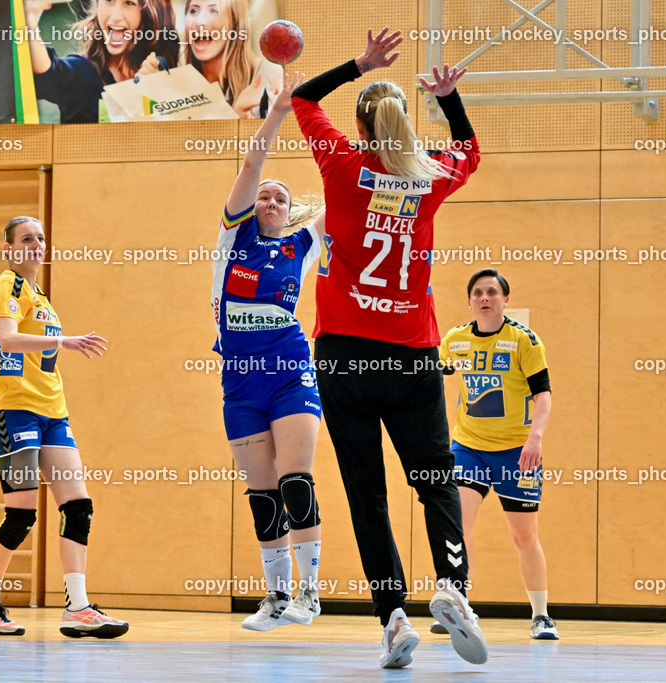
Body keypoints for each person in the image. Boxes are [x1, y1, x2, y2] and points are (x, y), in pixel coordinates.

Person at [291, 28, 487, 668]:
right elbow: (471, 151)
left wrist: (360, 63)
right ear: (405, 122)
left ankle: (393, 618)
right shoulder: (429, 176)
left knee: (367, 491)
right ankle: (454, 590)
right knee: (436, 480)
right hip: (411, 351)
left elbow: (301, 98)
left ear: (361, 124)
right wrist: (451, 99)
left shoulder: (343, 166)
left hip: (346, 354)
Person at [0, 216, 128, 639]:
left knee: (78, 507)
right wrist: (65, 341)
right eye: (26, 238)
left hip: (53, 414)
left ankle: (77, 606)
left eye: (40, 238)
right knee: (20, 515)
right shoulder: (9, 285)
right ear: (9, 248)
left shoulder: (40, 296)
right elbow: (7, 339)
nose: (36, 244)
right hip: (14, 412)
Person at [211, 74, 324, 631]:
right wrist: (278, 112)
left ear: (289, 210)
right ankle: (276, 596)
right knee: (261, 493)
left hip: (289, 373)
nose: (272, 199)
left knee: (294, 479)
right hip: (240, 381)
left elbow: (351, 195)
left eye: (281, 197)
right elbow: (252, 168)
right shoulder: (233, 240)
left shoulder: (303, 244)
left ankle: (310, 593)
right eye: (265, 196)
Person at [435, 269, 558, 640]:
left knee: (524, 536)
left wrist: (535, 439)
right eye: (478, 293)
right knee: (459, 526)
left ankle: (541, 616)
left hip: (516, 452)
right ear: (469, 301)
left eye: (492, 292)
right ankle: (456, 605)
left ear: (506, 299)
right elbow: (430, 380)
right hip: (469, 446)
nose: (485, 298)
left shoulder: (524, 341)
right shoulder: (455, 340)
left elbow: (544, 395)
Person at [25, 0, 179, 123]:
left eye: (129, 3)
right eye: (109, 0)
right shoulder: (83, 73)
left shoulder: (158, 67)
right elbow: (48, 71)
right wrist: (30, 18)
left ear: (149, 14)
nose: (115, 16)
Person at [183, 0, 282, 118]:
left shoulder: (267, 75)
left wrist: (244, 120)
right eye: (193, 10)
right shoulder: (177, 75)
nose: (199, 22)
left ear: (235, 23)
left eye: (214, 11)